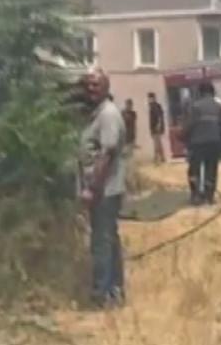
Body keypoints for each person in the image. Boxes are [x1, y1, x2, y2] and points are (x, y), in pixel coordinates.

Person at [78, 69, 127, 309]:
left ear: (106, 87)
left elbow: (106, 155)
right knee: (109, 240)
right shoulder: (96, 114)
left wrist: (92, 188)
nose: (91, 89)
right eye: (88, 85)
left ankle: (101, 295)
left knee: (101, 242)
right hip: (104, 189)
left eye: (96, 84)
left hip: (104, 190)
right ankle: (114, 292)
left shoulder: (108, 115)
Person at [182, 81, 221, 205]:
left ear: (200, 92)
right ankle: (209, 196)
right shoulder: (218, 107)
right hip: (214, 142)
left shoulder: (195, 106)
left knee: (194, 169)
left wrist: (182, 136)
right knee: (211, 170)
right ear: (212, 92)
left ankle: (196, 195)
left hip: (197, 143)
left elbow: (189, 125)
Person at [147, 92, 166, 163]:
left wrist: (158, 125)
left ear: (153, 98)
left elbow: (159, 117)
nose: (149, 100)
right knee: (158, 143)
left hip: (156, 127)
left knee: (157, 143)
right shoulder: (153, 106)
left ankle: (157, 158)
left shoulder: (155, 106)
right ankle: (161, 157)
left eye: (150, 98)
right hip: (154, 127)